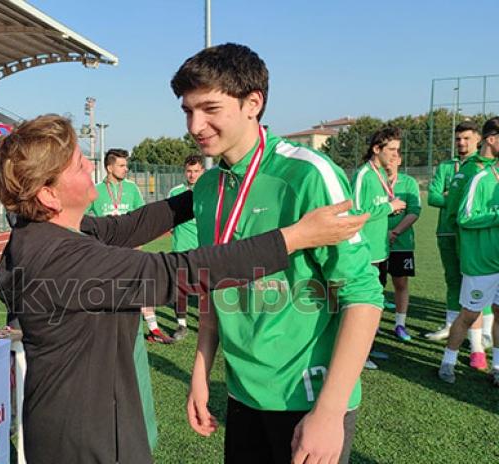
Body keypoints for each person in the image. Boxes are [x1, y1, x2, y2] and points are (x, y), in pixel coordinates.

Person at [0, 114, 367, 464]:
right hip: (83, 437)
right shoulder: (61, 258)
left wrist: (214, 190)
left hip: (83, 420)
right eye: (77, 164)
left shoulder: (54, 231)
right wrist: (291, 238)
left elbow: (127, 228)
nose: (90, 165)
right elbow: (177, 272)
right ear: (48, 195)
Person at [173, 43, 383, 464]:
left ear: (253, 103)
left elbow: (363, 296)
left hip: (307, 397)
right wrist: (200, 373)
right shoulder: (208, 188)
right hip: (242, 392)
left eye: (210, 108)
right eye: (188, 111)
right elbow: (215, 285)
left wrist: (329, 410)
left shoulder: (306, 174)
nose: (196, 125)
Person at [86, 147, 161, 452]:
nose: (126, 169)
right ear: (108, 167)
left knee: (139, 299)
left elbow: (141, 220)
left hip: (131, 259)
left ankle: (150, 327)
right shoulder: (97, 193)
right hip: (107, 265)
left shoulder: (131, 190)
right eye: (121, 165)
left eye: (127, 165)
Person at [439, 117, 499, 384]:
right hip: (481, 260)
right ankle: (448, 362)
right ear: (492, 139)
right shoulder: (479, 176)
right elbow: (462, 217)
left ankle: (497, 366)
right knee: (469, 313)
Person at [426, 121, 488, 343]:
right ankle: (451, 325)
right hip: (446, 231)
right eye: (458, 139)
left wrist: (450, 196)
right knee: (452, 279)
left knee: (478, 279)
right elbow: (432, 196)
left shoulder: (482, 165)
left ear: (478, 139)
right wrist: (457, 200)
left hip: (471, 233)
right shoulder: (445, 166)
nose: (461, 143)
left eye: (466, 138)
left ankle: (486, 331)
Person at [352, 126, 407, 369]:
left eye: (398, 150)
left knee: (374, 303)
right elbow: (355, 212)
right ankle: (358, 356)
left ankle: (367, 348)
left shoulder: (382, 175)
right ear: (377, 149)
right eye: (391, 150)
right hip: (364, 253)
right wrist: (389, 207)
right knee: (361, 306)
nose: (396, 155)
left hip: (380, 251)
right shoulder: (363, 175)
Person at [383, 153, 421, 341]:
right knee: (374, 286)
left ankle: (400, 324)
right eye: (387, 158)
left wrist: (395, 232)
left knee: (401, 283)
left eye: (393, 158)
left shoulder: (408, 183)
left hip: (401, 243)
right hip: (376, 244)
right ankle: (373, 325)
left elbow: (414, 212)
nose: (389, 162)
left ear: (399, 161)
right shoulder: (374, 182)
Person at [167, 154, 205, 341]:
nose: (192, 175)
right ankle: (181, 325)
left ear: (202, 171)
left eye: (196, 171)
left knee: (205, 290)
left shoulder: (209, 191)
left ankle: (206, 324)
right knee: (180, 289)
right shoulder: (175, 192)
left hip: (204, 250)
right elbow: (169, 222)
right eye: (189, 171)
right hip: (181, 250)